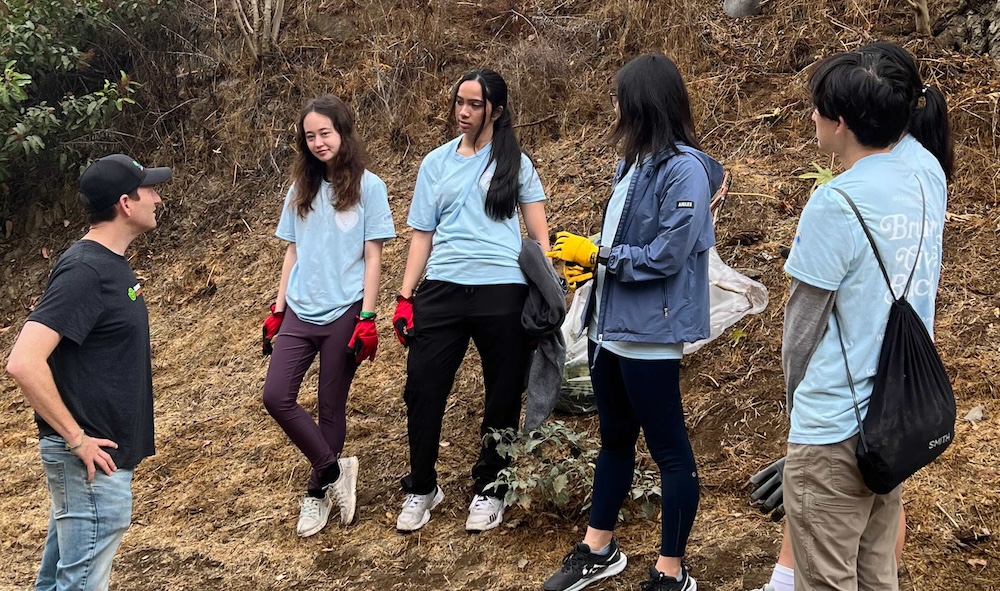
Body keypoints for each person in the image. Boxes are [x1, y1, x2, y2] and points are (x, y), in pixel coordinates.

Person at [751, 41, 952, 591]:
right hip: (897, 412)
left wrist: (799, 426)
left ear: (838, 123)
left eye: (817, 109)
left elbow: (801, 330)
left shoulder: (835, 203)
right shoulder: (927, 172)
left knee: (828, 580)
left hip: (836, 428)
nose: (812, 118)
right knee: (876, 574)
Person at [543, 53, 722, 591]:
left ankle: (673, 571)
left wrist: (598, 256)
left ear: (643, 102)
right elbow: (623, 244)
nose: (614, 106)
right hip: (608, 328)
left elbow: (666, 255)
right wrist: (587, 262)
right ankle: (599, 547)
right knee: (615, 439)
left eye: (621, 96)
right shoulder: (632, 163)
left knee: (669, 449)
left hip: (651, 334)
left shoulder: (683, 168)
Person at [391, 68, 550, 533]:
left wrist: (544, 290)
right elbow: (422, 235)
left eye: (474, 104)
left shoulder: (515, 162)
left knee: (502, 391)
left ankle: (490, 487)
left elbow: (539, 237)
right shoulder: (434, 163)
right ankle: (422, 486)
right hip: (441, 289)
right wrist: (405, 297)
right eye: (459, 101)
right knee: (422, 389)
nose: (463, 111)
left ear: (495, 111)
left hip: (503, 290)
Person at [5, 153, 171, 590]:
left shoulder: (107, 265)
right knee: (79, 584)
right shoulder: (86, 270)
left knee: (59, 580)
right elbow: (23, 361)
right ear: (125, 203)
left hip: (98, 461)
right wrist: (75, 438)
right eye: (149, 189)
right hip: (91, 463)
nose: (158, 197)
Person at [261, 94, 395, 537]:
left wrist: (368, 317)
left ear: (343, 133)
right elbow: (292, 249)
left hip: (345, 311)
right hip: (300, 309)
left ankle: (316, 494)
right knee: (276, 396)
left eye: (325, 133)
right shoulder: (299, 188)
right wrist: (279, 309)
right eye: (310, 136)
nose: (319, 142)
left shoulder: (369, 187)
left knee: (330, 406)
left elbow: (373, 257)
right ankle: (336, 470)